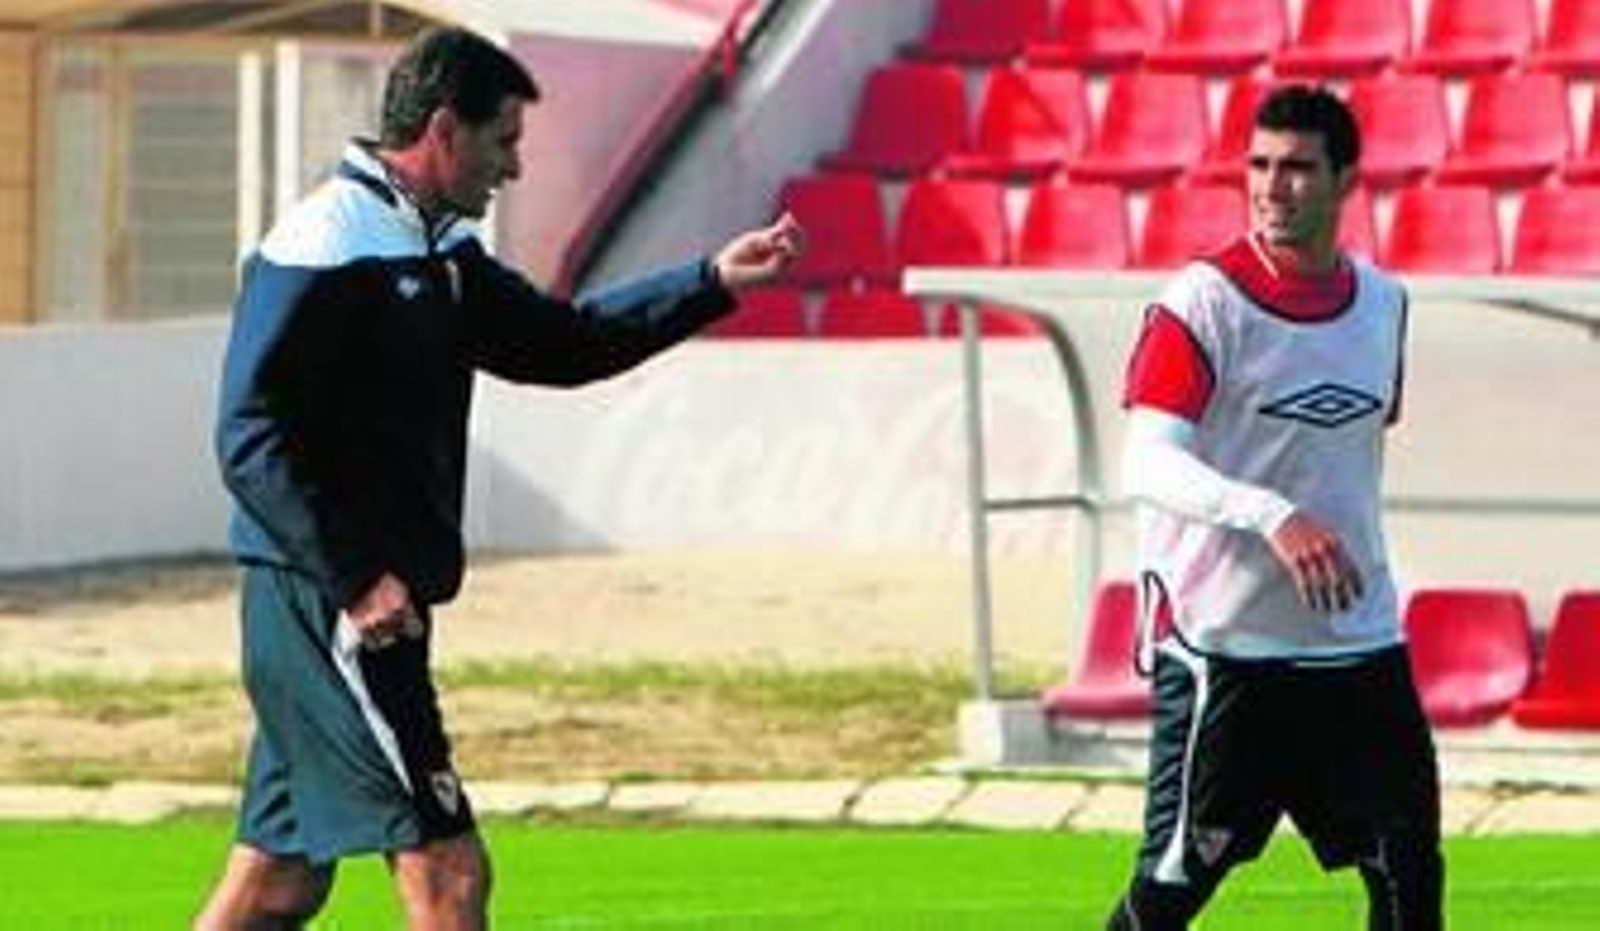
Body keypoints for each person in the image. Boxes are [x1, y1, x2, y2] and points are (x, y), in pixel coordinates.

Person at [196, 26, 803, 930]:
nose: (513, 166)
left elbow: (564, 344)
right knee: (450, 873)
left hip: (355, 606)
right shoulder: (325, 241)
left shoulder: (437, 250)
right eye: (503, 140)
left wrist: (711, 279)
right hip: (335, 609)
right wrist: (357, 577)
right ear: (444, 130)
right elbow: (248, 432)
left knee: (281, 880)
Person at [1107, 84, 1442, 929]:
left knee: (1408, 880)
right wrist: (1272, 514)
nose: (1271, 185)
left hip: (1360, 645)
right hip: (1227, 653)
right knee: (1170, 894)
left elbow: (1349, 455)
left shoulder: (1385, 305)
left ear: (1345, 181)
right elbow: (1145, 461)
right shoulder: (1203, 302)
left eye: (1296, 168)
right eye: (1258, 165)